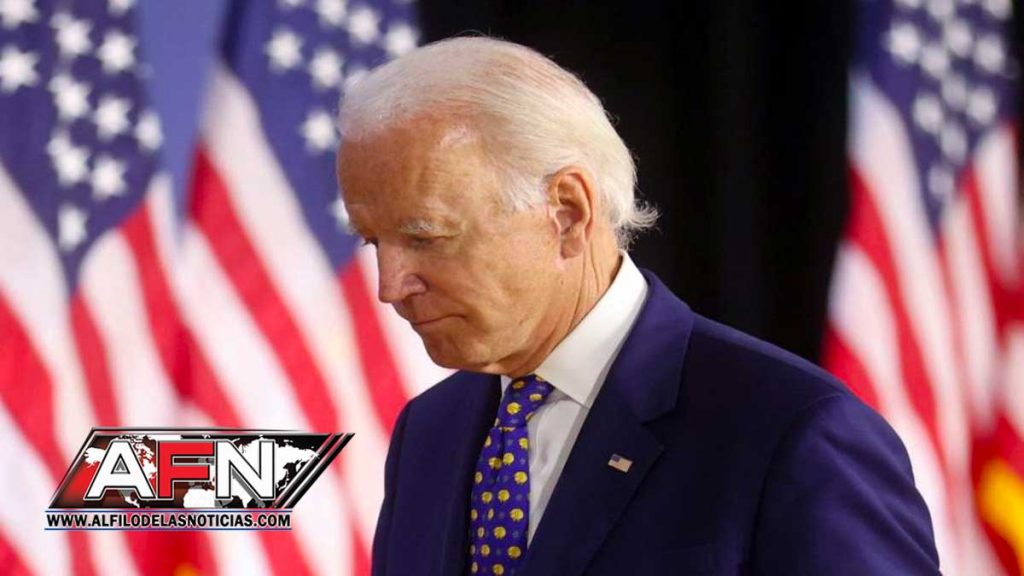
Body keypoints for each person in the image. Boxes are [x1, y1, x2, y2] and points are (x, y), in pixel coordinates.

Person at [336, 36, 939, 576]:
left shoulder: (790, 430)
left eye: (426, 237)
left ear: (567, 212)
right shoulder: (431, 431)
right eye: (373, 243)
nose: (390, 286)